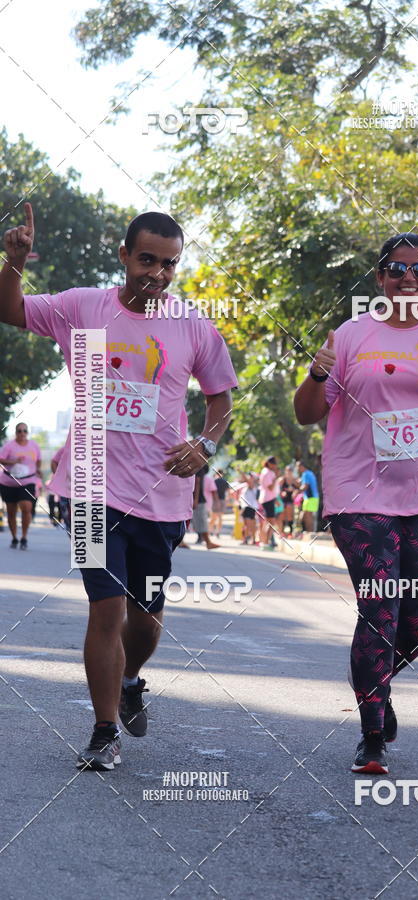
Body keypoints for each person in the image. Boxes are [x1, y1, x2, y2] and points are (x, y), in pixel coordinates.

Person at [0, 204, 237, 771]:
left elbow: (221, 398)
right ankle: (104, 731)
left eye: (169, 264)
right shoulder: (83, 307)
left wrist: (205, 446)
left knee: (145, 616)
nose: (157, 273)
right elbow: (9, 309)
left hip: (163, 494)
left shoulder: (192, 325)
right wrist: (13, 263)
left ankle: (131, 679)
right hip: (89, 488)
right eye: (147, 260)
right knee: (105, 609)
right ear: (125, 255)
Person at [294, 232, 418, 775]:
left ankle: (374, 683)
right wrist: (317, 372)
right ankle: (372, 735)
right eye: (398, 269)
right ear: (380, 278)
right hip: (359, 494)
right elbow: (307, 414)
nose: (410, 278)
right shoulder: (350, 336)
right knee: (380, 606)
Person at [0, 422, 42, 550]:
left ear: (27, 432)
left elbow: (38, 460)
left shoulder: (34, 445)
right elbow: (1, 459)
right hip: (9, 482)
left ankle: (24, 537)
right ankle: (14, 537)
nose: (22, 433)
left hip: (27, 481)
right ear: (16, 432)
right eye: (19, 431)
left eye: (24, 431)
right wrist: (13, 461)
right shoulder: (9, 446)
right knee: (11, 512)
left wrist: (38, 470)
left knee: (26, 506)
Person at [192, 464, 220, 549]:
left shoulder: (196, 468)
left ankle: (205, 540)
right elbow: (197, 482)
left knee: (198, 520)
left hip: (198, 499)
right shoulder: (199, 468)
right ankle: (208, 542)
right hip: (200, 500)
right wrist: (196, 499)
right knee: (202, 521)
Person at [258, 456, 278, 548]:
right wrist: (275, 478)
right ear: (269, 463)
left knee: (268, 522)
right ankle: (265, 542)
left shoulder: (267, 472)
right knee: (270, 522)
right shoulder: (267, 472)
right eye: (274, 464)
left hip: (268, 499)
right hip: (268, 499)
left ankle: (264, 542)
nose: (275, 466)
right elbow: (270, 487)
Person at [296, 461, 319, 535]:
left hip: (311, 498)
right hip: (310, 498)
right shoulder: (307, 473)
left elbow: (305, 486)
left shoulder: (306, 474)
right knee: (306, 515)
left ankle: (310, 533)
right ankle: (308, 532)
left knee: (308, 516)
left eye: (298, 466)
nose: (297, 468)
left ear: (302, 466)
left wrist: (297, 492)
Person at [239, 473, 260, 544]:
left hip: (250, 507)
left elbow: (247, 480)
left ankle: (248, 539)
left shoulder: (252, 486)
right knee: (248, 524)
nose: (249, 478)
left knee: (249, 525)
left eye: (251, 476)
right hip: (247, 507)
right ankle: (250, 539)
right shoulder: (246, 486)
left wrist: (240, 471)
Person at [209, 469, 229, 537]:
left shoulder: (214, 481)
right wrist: (227, 500)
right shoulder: (225, 481)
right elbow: (228, 492)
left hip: (215, 501)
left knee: (213, 517)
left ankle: (210, 530)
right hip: (222, 500)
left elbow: (212, 492)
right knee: (220, 517)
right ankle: (218, 531)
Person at [277, 466, 297, 535]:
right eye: (288, 470)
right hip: (282, 499)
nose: (289, 472)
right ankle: (282, 532)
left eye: (290, 471)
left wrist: (295, 491)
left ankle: (290, 532)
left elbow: (299, 488)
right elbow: (277, 489)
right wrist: (282, 493)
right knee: (282, 515)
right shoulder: (282, 479)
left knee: (289, 515)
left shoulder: (294, 480)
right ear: (285, 471)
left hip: (290, 499)